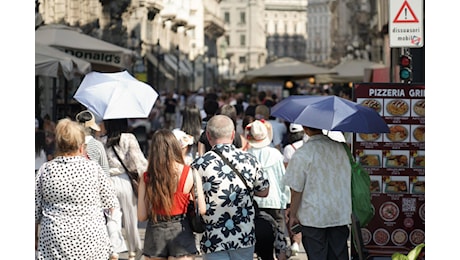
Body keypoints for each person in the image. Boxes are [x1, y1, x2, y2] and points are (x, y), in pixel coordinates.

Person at [35, 118, 119, 259]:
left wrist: (34, 239)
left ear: (59, 145)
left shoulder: (45, 170)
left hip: (54, 241)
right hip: (91, 241)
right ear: (81, 146)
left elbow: (34, 211)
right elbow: (110, 203)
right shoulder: (94, 168)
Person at [190, 115, 270, 259]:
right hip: (244, 236)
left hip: (213, 239)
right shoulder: (250, 160)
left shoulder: (199, 165)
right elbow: (264, 191)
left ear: (208, 136)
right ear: (233, 135)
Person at [283, 125, 351, 260]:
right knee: (339, 255)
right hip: (339, 212)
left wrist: (293, 214)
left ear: (305, 129)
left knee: (316, 256)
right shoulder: (341, 149)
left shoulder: (303, 153)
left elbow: (296, 189)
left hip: (312, 215)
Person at [138, 129, 206, 260]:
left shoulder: (147, 177)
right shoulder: (190, 173)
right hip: (182, 230)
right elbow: (202, 209)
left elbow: (142, 216)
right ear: (175, 147)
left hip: (155, 232)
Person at [105, 118, 147, 260]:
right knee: (131, 216)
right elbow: (138, 160)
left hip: (108, 180)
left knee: (113, 217)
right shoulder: (128, 138)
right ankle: (133, 250)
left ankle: (114, 249)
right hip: (125, 179)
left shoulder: (102, 140)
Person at [245, 120, 290, 239]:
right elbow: (283, 178)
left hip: (254, 199)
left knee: (256, 228)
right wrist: (285, 199)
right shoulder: (276, 154)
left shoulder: (247, 156)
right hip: (274, 198)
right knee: (278, 227)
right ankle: (280, 251)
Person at [281, 123, 306, 255]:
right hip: (307, 185)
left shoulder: (288, 149)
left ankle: (294, 241)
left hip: (292, 186)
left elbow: (286, 169)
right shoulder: (307, 146)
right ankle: (299, 240)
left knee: (290, 213)